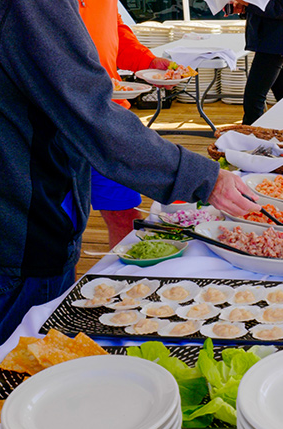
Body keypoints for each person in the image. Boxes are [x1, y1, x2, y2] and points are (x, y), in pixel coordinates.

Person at [0, 0, 259, 358]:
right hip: (20, 206)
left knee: (4, 340)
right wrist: (205, 178)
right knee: (29, 364)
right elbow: (89, 110)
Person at [80, 0, 173, 248]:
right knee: (57, 225)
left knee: (125, 216)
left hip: (107, 118)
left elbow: (115, 29)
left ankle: (129, 282)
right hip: (50, 123)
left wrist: (148, 62)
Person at [231, 0, 283, 125]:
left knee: (254, 98)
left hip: (276, 42)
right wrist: (244, 8)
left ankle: (249, 139)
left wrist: (249, 4)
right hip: (274, 42)